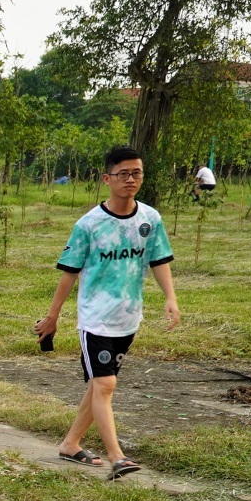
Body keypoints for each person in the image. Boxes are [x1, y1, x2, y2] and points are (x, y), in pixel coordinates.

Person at [33, 145, 179, 481]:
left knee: (99, 387)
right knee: (106, 384)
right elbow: (69, 272)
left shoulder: (150, 219)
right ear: (107, 178)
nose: (131, 180)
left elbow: (159, 261)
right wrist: (53, 316)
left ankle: (70, 444)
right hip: (95, 318)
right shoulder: (89, 224)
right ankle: (117, 457)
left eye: (137, 173)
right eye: (123, 174)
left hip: (128, 318)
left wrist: (170, 298)